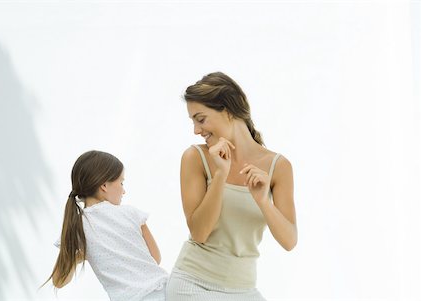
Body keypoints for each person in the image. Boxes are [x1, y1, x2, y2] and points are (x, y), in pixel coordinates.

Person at [166, 72, 298, 300]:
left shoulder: (279, 166)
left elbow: (289, 241)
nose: (196, 130)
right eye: (193, 122)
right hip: (193, 286)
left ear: (227, 111)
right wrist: (220, 175)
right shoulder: (195, 158)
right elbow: (199, 233)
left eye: (201, 119)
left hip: (245, 290)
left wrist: (263, 202)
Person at [44, 150, 168, 301]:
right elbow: (155, 258)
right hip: (166, 292)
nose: (124, 190)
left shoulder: (77, 227)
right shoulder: (131, 213)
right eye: (121, 183)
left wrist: (78, 257)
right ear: (104, 185)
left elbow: (59, 281)